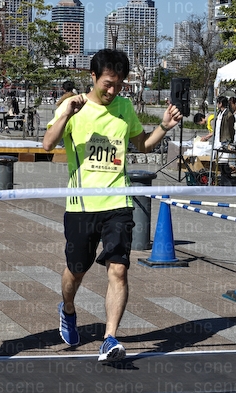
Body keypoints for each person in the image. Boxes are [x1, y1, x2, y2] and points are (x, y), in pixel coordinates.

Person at [43, 49, 182, 362]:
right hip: (81, 206)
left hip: (119, 202)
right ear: (93, 77)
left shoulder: (124, 107)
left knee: (118, 270)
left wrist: (164, 126)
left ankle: (110, 338)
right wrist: (66, 115)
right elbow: (48, 144)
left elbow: (142, 145)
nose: (113, 90)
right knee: (76, 271)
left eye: (119, 85)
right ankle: (68, 308)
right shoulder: (73, 105)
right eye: (108, 83)